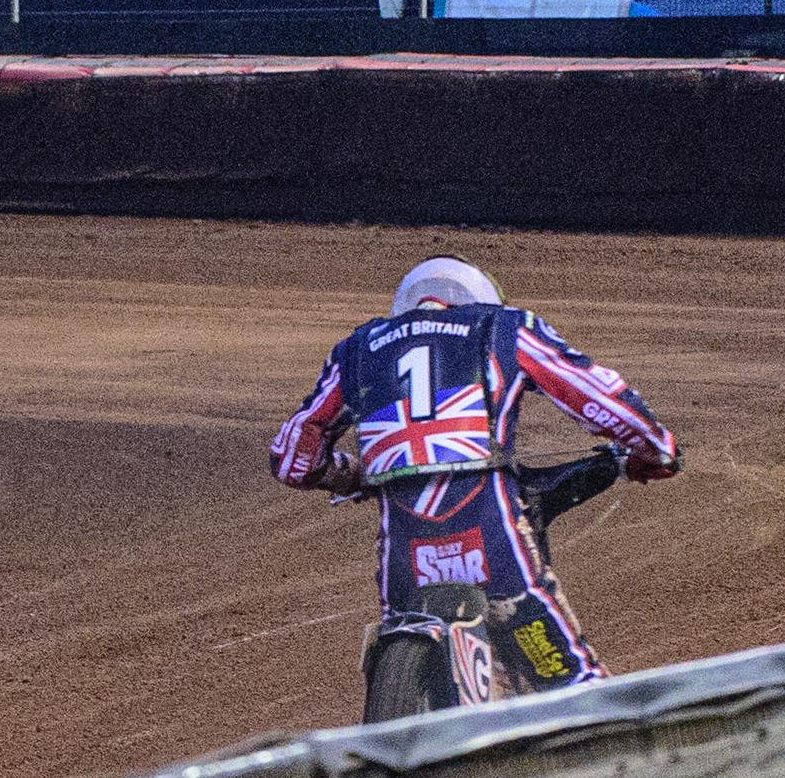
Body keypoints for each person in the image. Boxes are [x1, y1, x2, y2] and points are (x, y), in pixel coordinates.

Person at [270, 256, 680, 691]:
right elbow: (593, 393)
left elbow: (293, 458)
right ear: (481, 298)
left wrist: (343, 474)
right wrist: (655, 450)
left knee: (392, 697)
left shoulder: (355, 349)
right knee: (571, 682)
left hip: (406, 557)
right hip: (491, 534)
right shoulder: (505, 326)